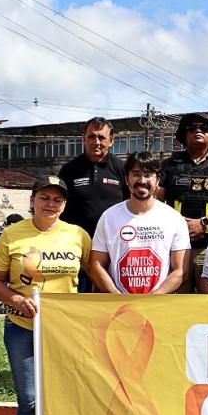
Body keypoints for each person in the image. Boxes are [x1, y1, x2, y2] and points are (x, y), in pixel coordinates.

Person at [0, 176, 90, 415]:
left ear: (65, 205)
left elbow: (95, 274)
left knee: (68, 398)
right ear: (32, 200)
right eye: (44, 197)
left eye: (57, 199)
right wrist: (16, 300)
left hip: (64, 332)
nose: (50, 204)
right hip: (22, 328)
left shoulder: (77, 235)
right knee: (29, 399)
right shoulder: (12, 234)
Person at [158, 112, 208, 290]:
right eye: (192, 128)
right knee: (177, 300)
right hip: (175, 249)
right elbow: (155, 203)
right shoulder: (168, 165)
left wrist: (204, 222)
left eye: (204, 128)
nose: (198, 131)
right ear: (184, 135)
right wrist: (180, 224)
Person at [89, 152, 191, 294]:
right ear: (126, 179)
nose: (142, 180)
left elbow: (180, 271)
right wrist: (117, 297)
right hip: (118, 304)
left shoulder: (174, 219)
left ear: (158, 180)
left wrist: (153, 299)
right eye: (136, 174)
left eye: (148, 175)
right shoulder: (108, 217)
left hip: (158, 303)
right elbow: (96, 265)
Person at [58, 116, 127, 291]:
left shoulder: (122, 169)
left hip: (114, 250)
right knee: (81, 300)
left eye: (102, 137)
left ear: (111, 141)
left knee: (112, 300)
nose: (96, 142)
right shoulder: (69, 170)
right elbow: (60, 210)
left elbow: (131, 206)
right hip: (78, 250)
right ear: (84, 139)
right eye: (91, 136)